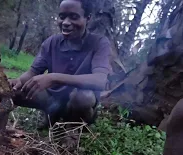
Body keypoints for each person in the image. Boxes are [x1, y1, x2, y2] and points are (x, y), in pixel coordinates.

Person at [8, 0, 112, 129]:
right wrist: (18, 80)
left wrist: (54, 77)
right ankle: (53, 117)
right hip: (52, 100)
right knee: (10, 90)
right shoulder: (51, 42)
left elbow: (100, 81)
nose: (66, 23)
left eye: (74, 17)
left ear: (88, 18)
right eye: (62, 17)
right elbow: (33, 72)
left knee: (83, 97)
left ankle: (72, 129)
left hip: (78, 105)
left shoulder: (99, 43)